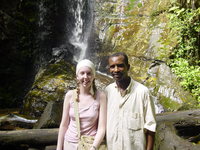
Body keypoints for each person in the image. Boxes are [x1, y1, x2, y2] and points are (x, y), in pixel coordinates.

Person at [105, 52, 156, 150]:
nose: (116, 70)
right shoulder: (107, 91)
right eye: (112, 67)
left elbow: (150, 127)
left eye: (120, 66)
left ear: (128, 67)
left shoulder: (142, 92)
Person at [56, 59, 107, 150]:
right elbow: (64, 125)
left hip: (90, 144)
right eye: (82, 73)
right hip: (69, 144)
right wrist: (59, 148)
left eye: (89, 73)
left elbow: (102, 128)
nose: (85, 77)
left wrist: (94, 147)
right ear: (77, 76)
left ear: (93, 76)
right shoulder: (70, 95)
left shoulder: (101, 96)